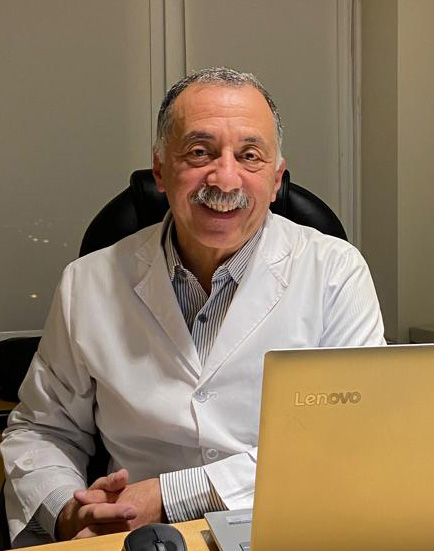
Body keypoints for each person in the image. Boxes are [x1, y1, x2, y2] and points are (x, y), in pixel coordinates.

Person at [1, 67, 385, 546]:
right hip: (139, 538)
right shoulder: (88, 282)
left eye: (249, 155)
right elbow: (43, 429)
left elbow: (351, 437)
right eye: (199, 152)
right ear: (160, 170)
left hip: (284, 528)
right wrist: (69, 510)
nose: (224, 178)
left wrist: (168, 495)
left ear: (275, 178)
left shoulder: (335, 271)